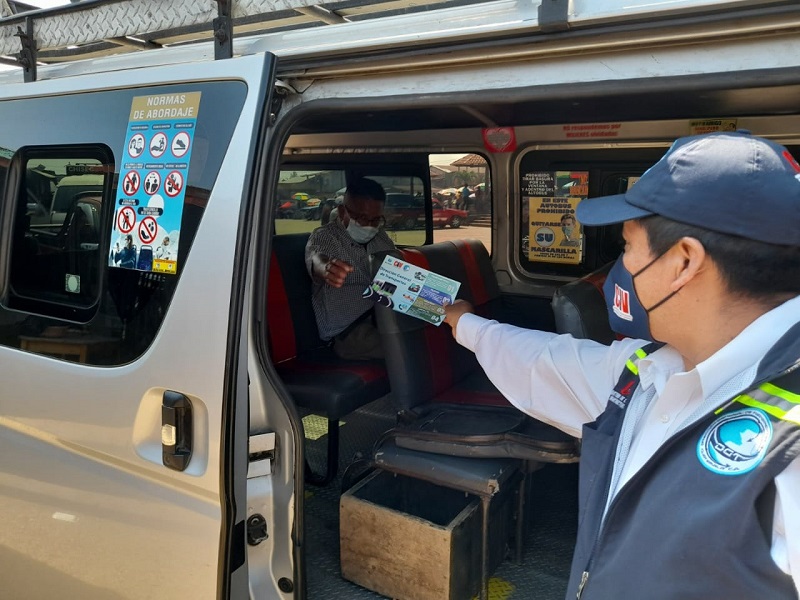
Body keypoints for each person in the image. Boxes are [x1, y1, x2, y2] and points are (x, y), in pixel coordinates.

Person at [443, 131, 800, 599]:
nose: (621, 267)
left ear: (683, 262)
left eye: (628, 247)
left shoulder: (789, 444)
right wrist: (465, 323)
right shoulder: (648, 371)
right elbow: (546, 362)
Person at [305, 177, 396, 360]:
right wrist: (326, 267)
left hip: (385, 316)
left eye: (375, 219)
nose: (369, 225)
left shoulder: (380, 237)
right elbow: (316, 258)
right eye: (362, 218)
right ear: (342, 211)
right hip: (349, 331)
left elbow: (398, 272)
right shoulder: (326, 237)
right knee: (404, 347)